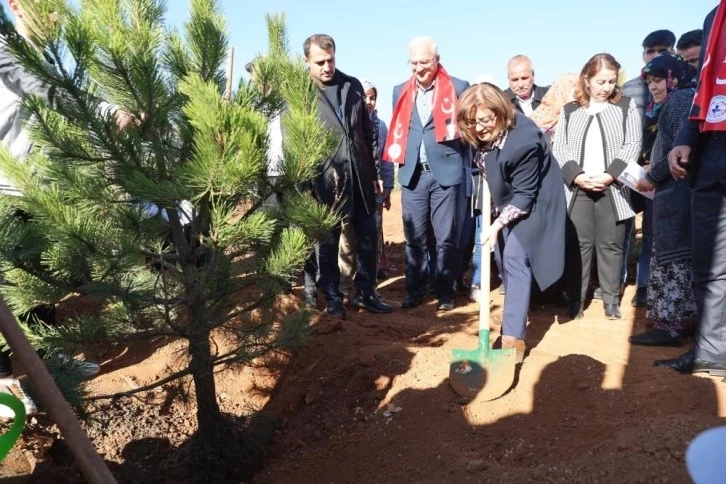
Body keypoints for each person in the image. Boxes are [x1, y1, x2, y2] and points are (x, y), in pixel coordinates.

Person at [0, 0, 105, 413]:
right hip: (5, 189)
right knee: (9, 288)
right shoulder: (7, 48)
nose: (57, 20)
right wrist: (103, 111)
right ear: (18, 7)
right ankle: (6, 381)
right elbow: (39, 88)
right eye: (49, 10)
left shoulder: (46, 57)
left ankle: (49, 363)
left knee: (39, 284)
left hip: (38, 190)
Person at [455, 82, 565, 362]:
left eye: (485, 120)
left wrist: (493, 226)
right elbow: (488, 165)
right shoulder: (482, 133)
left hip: (536, 201)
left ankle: (512, 340)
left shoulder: (523, 143)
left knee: (515, 257)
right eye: (472, 122)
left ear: (500, 113)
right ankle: (515, 311)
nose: (479, 128)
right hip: (508, 197)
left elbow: (525, 197)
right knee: (503, 256)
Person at [299, 34, 391, 319]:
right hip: (324, 179)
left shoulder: (351, 85)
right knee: (327, 242)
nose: (327, 66)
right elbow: (297, 142)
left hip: (360, 177)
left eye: (331, 59)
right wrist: (304, 186)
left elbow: (366, 133)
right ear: (307, 62)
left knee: (367, 235)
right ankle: (334, 298)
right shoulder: (300, 92)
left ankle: (366, 291)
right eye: (320, 62)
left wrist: (374, 172)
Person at [656, 5, 726, 376]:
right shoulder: (714, 17)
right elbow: (707, 82)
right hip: (712, 152)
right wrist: (686, 137)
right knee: (708, 263)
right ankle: (712, 352)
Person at [553, 53, 642, 321]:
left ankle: (611, 301)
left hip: (612, 189)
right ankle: (576, 303)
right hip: (578, 188)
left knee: (611, 245)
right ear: (587, 80)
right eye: (601, 81)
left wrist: (608, 175)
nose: (606, 87)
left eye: (611, 81)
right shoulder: (570, 110)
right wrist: (577, 176)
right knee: (578, 245)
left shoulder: (627, 106)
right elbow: (560, 147)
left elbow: (632, 145)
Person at [385, 36, 469, 311]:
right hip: (412, 175)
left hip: (446, 172)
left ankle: (445, 291)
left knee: (446, 238)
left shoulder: (458, 87)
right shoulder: (400, 90)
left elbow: (468, 132)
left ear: (437, 59)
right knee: (415, 238)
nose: (419, 68)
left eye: (424, 62)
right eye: (414, 63)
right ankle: (415, 291)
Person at [628, 53, 698, 347]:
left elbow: (676, 152)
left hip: (677, 194)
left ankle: (669, 326)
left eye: (658, 80)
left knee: (672, 259)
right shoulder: (676, 102)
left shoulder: (681, 99)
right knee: (676, 257)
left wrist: (650, 177)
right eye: (650, 82)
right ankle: (678, 321)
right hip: (675, 193)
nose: (654, 87)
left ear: (673, 77)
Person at [618, 30, 676, 307]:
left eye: (662, 50)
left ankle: (645, 285)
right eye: (649, 52)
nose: (655, 56)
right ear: (642, 55)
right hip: (629, 172)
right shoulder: (628, 88)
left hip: (662, 173)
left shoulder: (681, 90)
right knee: (624, 226)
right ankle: (617, 280)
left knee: (653, 231)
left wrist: (656, 167)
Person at [338, 80, 393, 298]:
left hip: (375, 193)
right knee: (348, 240)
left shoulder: (381, 126)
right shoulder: (346, 123)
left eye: (373, 97)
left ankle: (369, 288)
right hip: (350, 191)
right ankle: (344, 288)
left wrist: (387, 186)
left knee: (374, 242)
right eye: (365, 97)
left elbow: (387, 159)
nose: (369, 102)